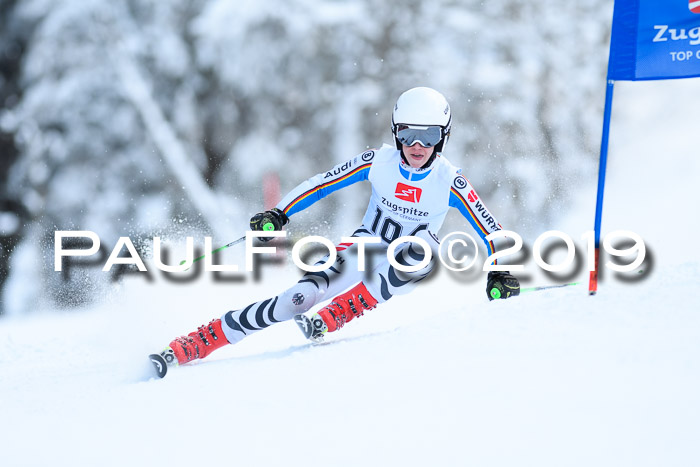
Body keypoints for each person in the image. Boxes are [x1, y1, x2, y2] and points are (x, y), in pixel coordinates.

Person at [160, 87, 520, 367]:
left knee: (421, 250)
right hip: (365, 248)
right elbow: (323, 183)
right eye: (408, 134)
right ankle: (201, 340)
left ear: (443, 136)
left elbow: (491, 229)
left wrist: (500, 272)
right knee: (296, 300)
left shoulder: (449, 180)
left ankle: (340, 313)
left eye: (428, 136)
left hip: (409, 259)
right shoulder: (379, 161)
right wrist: (280, 213)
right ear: (396, 132)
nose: (417, 146)